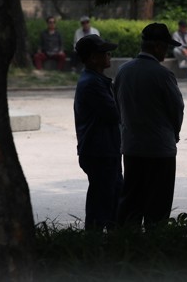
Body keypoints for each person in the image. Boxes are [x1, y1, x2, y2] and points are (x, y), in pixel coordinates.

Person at [114, 23, 185, 229]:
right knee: (158, 205)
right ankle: (154, 248)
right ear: (156, 46)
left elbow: (117, 105)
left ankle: (126, 245)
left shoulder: (123, 71)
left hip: (132, 146)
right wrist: (174, 134)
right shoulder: (163, 75)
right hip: (160, 148)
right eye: (165, 47)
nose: (166, 51)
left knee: (131, 200)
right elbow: (176, 109)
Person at [73, 34, 122, 231]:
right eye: (105, 53)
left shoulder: (95, 80)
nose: (109, 55)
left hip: (103, 149)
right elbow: (114, 113)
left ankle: (107, 244)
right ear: (93, 57)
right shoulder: (93, 83)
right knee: (102, 202)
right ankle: (95, 245)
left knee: (111, 198)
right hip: (100, 151)